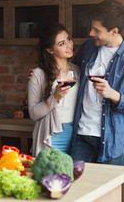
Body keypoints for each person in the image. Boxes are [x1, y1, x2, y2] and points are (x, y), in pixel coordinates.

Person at [69, 0, 124, 165]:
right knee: (75, 187)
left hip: (113, 140)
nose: (91, 33)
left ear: (114, 31)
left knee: (108, 190)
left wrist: (114, 95)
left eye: (96, 30)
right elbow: (71, 73)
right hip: (82, 135)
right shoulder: (88, 47)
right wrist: (44, 75)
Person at [28, 22, 80, 157]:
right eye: (61, 44)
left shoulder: (78, 71)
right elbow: (33, 113)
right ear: (50, 50)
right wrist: (55, 98)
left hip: (77, 136)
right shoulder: (39, 74)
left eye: (68, 39)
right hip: (52, 137)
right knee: (50, 176)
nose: (69, 45)